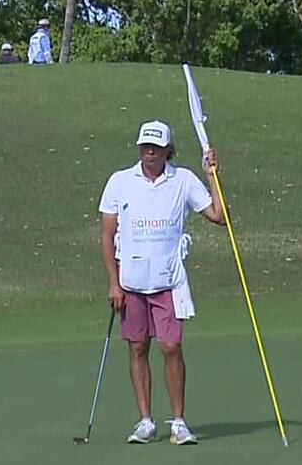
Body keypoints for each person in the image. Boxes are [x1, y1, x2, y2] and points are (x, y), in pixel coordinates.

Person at [96, 121, 226, 445]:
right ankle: (145, 421)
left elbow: (219, 215)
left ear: (168, 150)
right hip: (131, 281)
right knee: (138, 347)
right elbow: (107, 236)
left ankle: (179, 422)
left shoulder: (182, 180)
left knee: (171, 347)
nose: (149, 153)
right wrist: (113, 283)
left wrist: (211, 176)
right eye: (144, 147)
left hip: (168, 280)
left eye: (155, 148)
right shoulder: (120, 182)